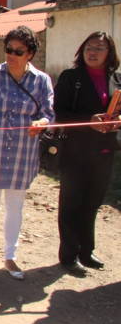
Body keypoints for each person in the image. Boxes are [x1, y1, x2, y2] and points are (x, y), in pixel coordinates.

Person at [0, 25, 54, 280]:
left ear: (30, 54)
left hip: (22, 153)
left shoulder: (41, 80)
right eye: (9, 49)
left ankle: (10, 256)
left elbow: (48, 113)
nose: (12, 55)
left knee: (15, 207)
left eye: (18, 51)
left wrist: (42, 123)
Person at [54, 31, 120, 277]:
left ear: (109, 53)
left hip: (104, 151)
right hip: (75, 151)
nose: (93, 52)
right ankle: (69, 255)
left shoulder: (117, 79)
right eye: (89, 47)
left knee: (92, 203)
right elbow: (59, 113)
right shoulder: (71, 78)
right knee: (71, 204)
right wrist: (88, 120)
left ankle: (86, 251)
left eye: (99, 48)